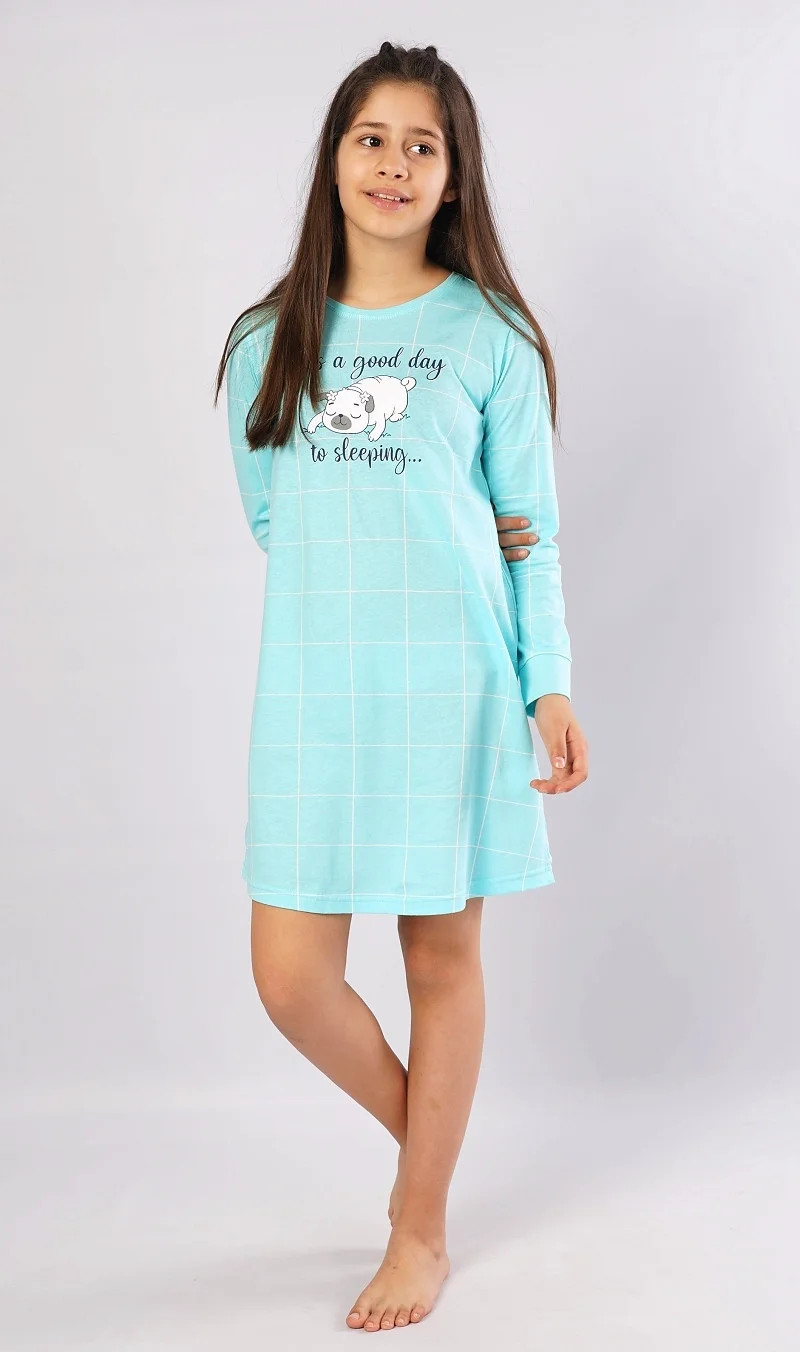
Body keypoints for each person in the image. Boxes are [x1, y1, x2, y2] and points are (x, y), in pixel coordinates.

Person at [213, 39, 589, 1333]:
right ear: (334, 158)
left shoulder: (490, 336)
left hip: (456, 690)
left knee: (441, 955)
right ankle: (426, 1147)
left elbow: (529, 532)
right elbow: (277, 518)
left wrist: (549, 686)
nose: (393, 163)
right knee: (290, 976)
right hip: (314, 692)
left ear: (454, 176)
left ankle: (419, 1224)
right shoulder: (265, 340)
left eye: (421, 144)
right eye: (370, 137)